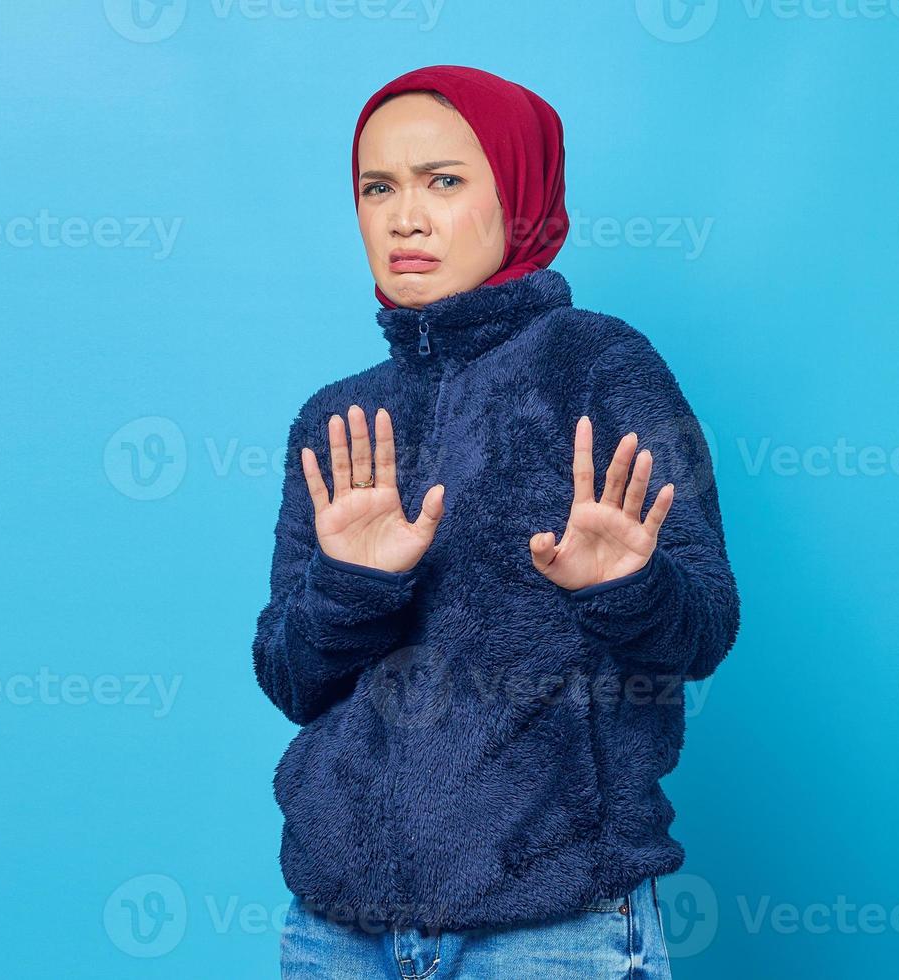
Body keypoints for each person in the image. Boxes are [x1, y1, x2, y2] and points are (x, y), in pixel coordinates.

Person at [253, 64, 741, 979]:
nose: (405, 217)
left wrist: (629, 588)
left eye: (444, 181)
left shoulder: (599, 363)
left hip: (547, 928)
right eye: (377, 187)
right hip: (338, 932)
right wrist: (351, 588)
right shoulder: (336, 418)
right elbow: (290, 677)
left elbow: (705, 628)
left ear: (518, 195)